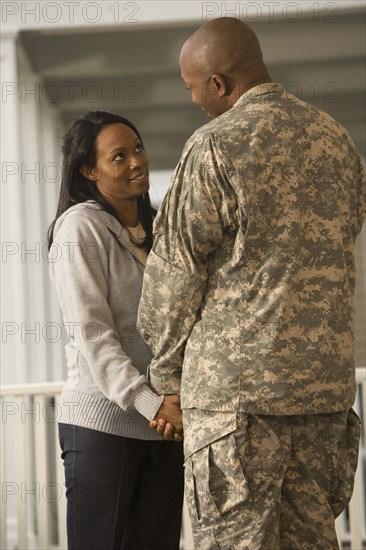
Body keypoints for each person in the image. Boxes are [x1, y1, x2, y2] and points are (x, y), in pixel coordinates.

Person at [137, 18, 366, 550]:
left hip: (236, 405)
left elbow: (175, 277)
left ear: (218, 83)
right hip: (322, 400)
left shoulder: (215, 145)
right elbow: (346, 234)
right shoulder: (334, 138)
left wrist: (167, 378)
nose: (193, 98)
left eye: (192, 86)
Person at [48, 110, 184, 550]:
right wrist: (151, 404)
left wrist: (172, 406)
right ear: (90, 171)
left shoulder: (160, 229)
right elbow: (92, 333)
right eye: (119, 157)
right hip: (104, 428)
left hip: (164, 428)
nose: (135, 163)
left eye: (138, 149)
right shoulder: (80, 228)